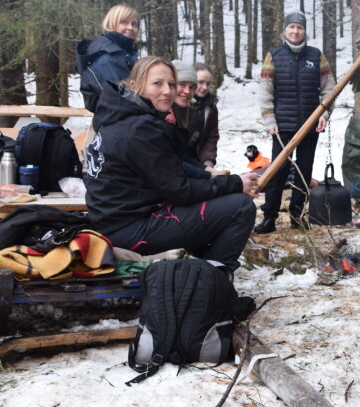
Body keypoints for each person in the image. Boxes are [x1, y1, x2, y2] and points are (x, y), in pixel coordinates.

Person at [84, 56, 258, 271]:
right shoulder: (139, 128)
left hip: (115, 220)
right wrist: (235, 184)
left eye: (171, 84)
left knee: (216, 203)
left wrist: (209, 175)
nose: (168, 91)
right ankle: (214, 280)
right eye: (157, 83)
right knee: (240, 206)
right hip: (130, 229)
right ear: (134, 86)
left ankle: (197, 271)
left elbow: (171, 164)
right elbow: (180, 190)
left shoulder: (123, 114)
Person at [254, 12, 335, 233]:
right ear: (285, 30)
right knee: (278, 172)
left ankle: (296, 217)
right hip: (282, 126)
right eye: (291, 27)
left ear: (305, 31)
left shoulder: (316, 56)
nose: (295, 31)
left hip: (310, 125)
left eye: (299, 27)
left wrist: (324, 114)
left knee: (303, 172)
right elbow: (265, 90)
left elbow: (329, 89)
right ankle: (269, 218)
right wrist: (269, 119)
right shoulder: (274, 55)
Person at [76, 4, 141, 113]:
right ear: (112, 23)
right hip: (118, 121)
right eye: (124, 22)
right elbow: (121, 99)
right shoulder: (108, 56)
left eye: (134, 24)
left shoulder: (122, 52)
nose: (130, 27)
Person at [191, 62, 221, 168]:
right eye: (201, 82)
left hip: (198, 160)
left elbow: (211, 137)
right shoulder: (178, 103)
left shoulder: (210, 108)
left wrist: (208, 161)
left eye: (208, 83)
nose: (204, 87)